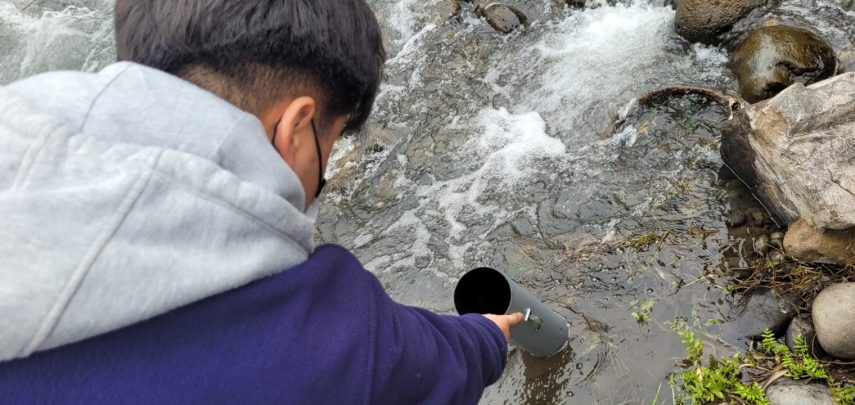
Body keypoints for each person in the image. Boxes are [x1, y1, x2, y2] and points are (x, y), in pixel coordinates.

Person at [0, 0, 523, 403]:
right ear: (295, 128)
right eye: (331, 141)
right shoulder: (323, 341)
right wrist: (488, 334)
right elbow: (426, 365)